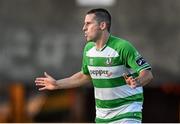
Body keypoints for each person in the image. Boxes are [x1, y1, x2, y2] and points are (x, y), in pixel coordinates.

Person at [35, 8, 153, 123]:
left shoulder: (123, 47)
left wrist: (137, 81)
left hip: (127, 111)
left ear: (102, 26)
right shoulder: (88, 49)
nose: (84, 28)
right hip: (102, 116)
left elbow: (147, 73)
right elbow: (85, 76)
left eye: (88, 24)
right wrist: (57, 84)